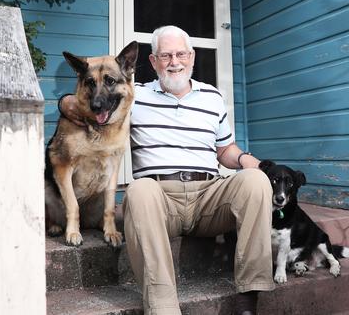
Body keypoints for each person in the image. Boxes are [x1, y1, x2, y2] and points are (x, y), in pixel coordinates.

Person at [58, 25, 274, 315]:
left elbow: (225, 150)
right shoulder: (135, 97)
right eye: (166, 55)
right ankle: (163, 309)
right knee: (139, 190)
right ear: (152, 62)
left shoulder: (212, 97)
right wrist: (65, 102)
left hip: (209, 196)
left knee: (255, 181)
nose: (175, 61)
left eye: (181, 54)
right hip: (161, 199)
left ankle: (249, 299)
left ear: (192, 57)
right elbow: (94, 103)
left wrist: (251, 162)